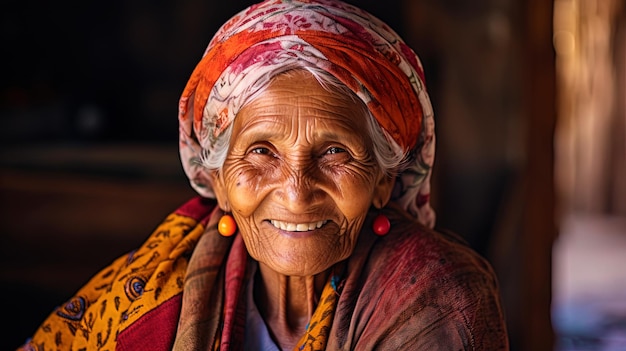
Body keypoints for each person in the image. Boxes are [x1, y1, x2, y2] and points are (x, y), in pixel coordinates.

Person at [17, 0, 509, 350]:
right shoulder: (165, 279)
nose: (296, 193)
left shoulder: (435, 296)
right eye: (260, 152)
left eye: (335, 151)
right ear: (219, 181)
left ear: (383, 179)